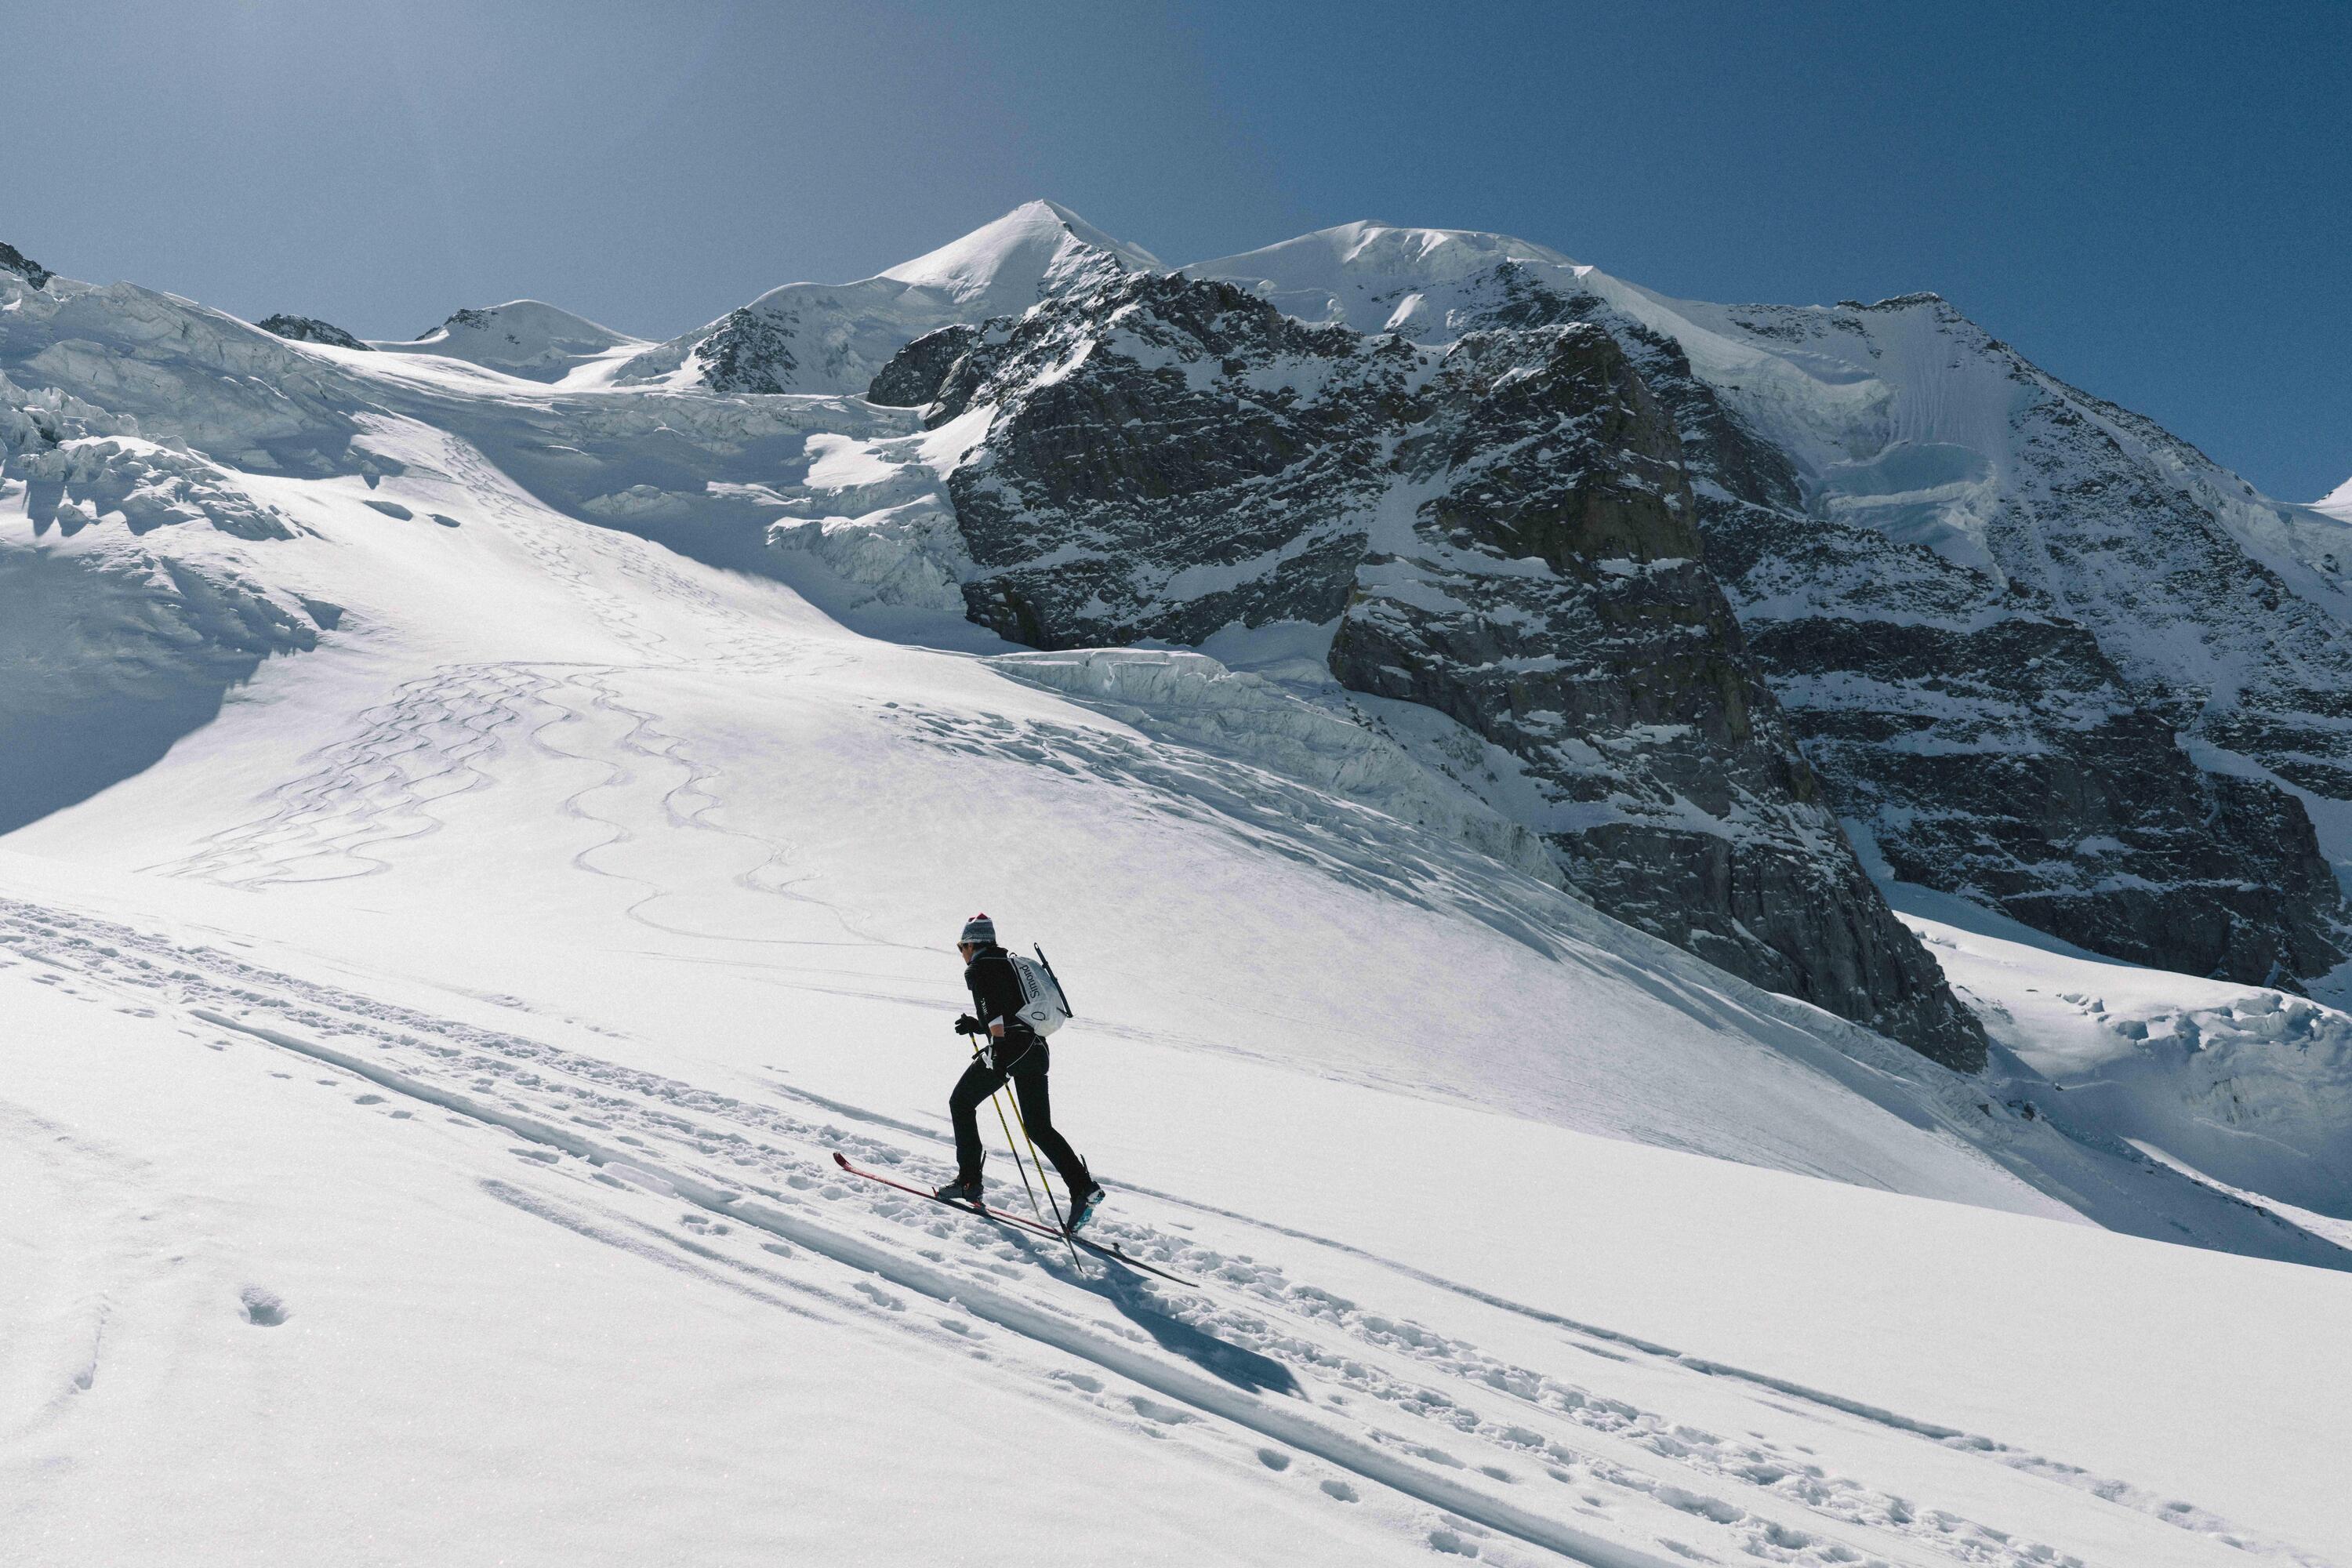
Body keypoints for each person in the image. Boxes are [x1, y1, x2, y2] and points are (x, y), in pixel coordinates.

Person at [939, 913, 1103, 1230]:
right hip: (1036, 1049)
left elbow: (993, 1011)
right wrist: (978, 1026)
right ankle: (1083, 1188)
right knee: (1039, 1128)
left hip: (1010, 1049)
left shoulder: (979, 968)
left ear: (972, 944)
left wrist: (997, 1049)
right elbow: (1009, 1010)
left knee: (961, 1102)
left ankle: (968, 1182)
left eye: (961, 946)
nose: (962, 953)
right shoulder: (1008, 963)